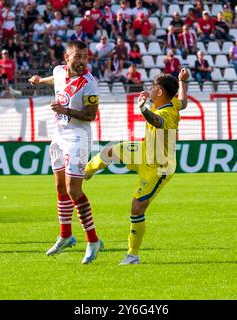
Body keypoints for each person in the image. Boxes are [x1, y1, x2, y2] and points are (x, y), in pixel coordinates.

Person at [84, 69, 189, 265]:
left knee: (137, 208)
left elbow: (156, 121)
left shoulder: (166, 113)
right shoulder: (172, 104)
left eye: (153, 87)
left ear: (159, 92)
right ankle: (86, 171)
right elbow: (183, 102)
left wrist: (143, 109)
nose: (149, 89)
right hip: (144, 151)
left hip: (159, 167)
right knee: (111, 150)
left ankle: (132, 255)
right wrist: (183, 82)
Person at [28, 40, 103, 265]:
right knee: (60, 187)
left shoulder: (89, 83)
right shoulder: (58, 71)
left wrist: (65, 110)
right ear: (66, 58)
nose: (82, 61)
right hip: (58, 136)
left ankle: (93, 240)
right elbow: (56, 79)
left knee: (74, 190)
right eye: (77, 56)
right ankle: (66, 235)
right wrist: (41, 81)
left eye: (85, 57)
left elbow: (91, 115)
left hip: (77, 138)